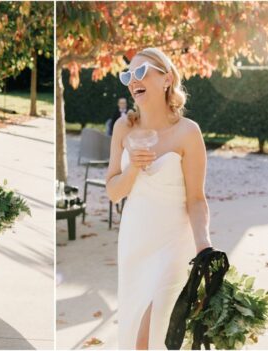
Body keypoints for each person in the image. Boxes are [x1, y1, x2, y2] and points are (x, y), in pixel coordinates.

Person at [104, 48, 212, 349]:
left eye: (141, 72)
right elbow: (114, 192)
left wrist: (204, 246)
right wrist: (134, 169)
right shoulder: (123, 127)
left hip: (173, 245)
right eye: (128, 74)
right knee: (136, 329)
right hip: (135, 242)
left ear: (166, 79)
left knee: (149, 337)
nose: (132, 80)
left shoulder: (188, 133)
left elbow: (196, 199)